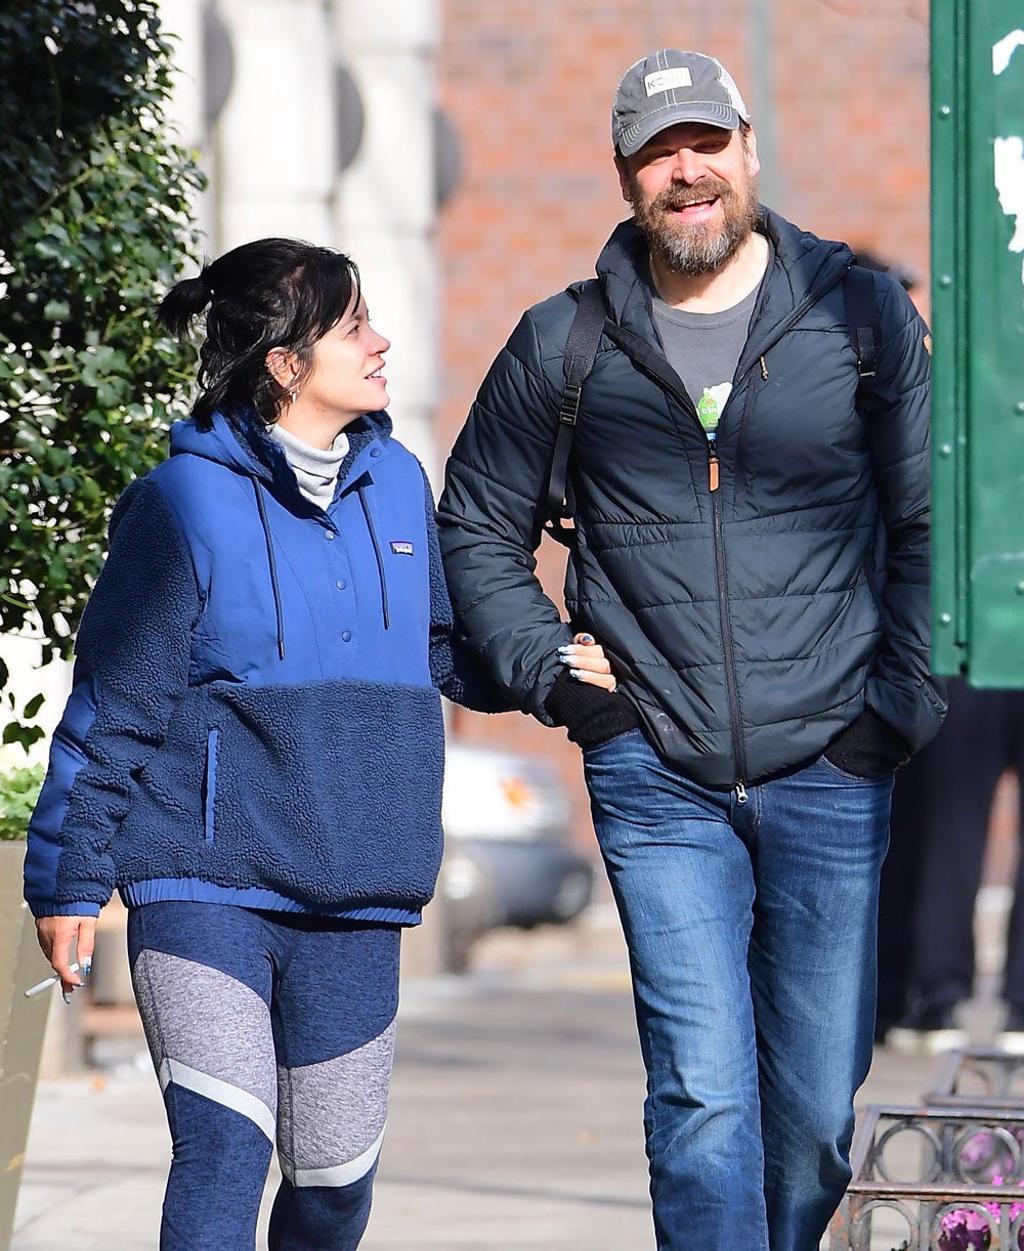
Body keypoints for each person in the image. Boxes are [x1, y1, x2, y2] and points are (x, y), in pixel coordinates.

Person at [437, 50, 945, 1251]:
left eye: (705, 143)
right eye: (661, 152)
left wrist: (897, 708)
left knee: (817, 1111)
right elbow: (475, 525)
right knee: (703, 1096)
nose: (688, 172)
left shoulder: (859, 315)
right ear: (626, 176)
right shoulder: (562, 342)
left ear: (747, 150)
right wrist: (556, 675)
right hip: (655, 776)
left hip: (834, 760)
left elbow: (936, 518)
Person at [23, 237, 522, 1251]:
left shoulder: (396, 487)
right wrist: (69, 881)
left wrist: (556, 670)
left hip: (358, 885)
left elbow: (445, 650)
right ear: (285, 363)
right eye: (353, 327)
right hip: (206, 886)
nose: (381, 343)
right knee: (224, 1149)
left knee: (334, 1184)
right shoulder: (181, 503)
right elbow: (115, 702)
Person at [879, 679, 1024, 1053]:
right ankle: (940, 993)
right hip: (967, 652)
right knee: (949, 827)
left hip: (967, 648)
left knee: (948, 830)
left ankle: (936, 996)